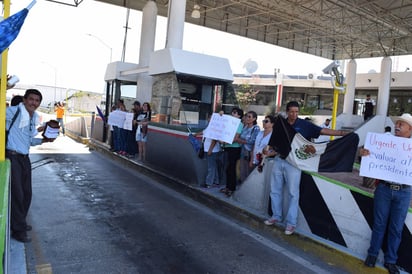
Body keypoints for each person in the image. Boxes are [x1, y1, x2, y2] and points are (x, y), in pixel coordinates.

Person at [264, 101, 349, 235]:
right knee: (275, 190)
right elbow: (275, 143)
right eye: (292, 112)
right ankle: (276, 216)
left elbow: (322, 131)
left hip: (295, 164)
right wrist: (269, 152)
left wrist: (342, 133)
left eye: (297, 112)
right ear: (287, 112)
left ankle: (291, 223)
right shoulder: (281, 125)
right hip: (279, 160)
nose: (294, 114)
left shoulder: (304, 125)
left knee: (293, 193)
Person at [362, 113, 412, 274]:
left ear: (410, 130)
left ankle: (391, 261)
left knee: (396, 228)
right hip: (384, 189)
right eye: (397, 123)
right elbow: (364, 152)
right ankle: (372, 254)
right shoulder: (384, 141)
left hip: (404, 192)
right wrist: (363, 153)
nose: (397, 126)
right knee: (379, 224)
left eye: (401, 124)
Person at [6, 89, 56, 243]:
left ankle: (20, 222)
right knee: (18, 195)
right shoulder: (12, 112)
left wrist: (44, 140)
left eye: (37, 101)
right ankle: (18, 230)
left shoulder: (33, 117)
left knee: (27, 194)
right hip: (12, 157)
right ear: (25, 100)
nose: (34, 103)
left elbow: (29, 140)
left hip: (24, 158)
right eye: (31, 99)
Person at [219, 107, 243, 197]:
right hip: (227, 147)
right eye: (232, 112)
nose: (233, 114)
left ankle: (232, 188)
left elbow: (236, 137)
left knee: (232, 169)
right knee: (227, 169)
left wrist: (224, 141)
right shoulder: (229, 123)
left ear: (239, 115)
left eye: (235, 113)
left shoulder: (239, 124)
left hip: (234, 148)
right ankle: (227, 187)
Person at [238, 111, 260, 182]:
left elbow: (252, 141)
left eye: (249, 117)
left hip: (250, 152)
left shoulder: (256, 128)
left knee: (249, 170)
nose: (247, 118)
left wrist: (240, 140)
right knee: (242, 169)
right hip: (243, 150)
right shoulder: (245, 127)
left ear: (254, 119)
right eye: (247, 116)